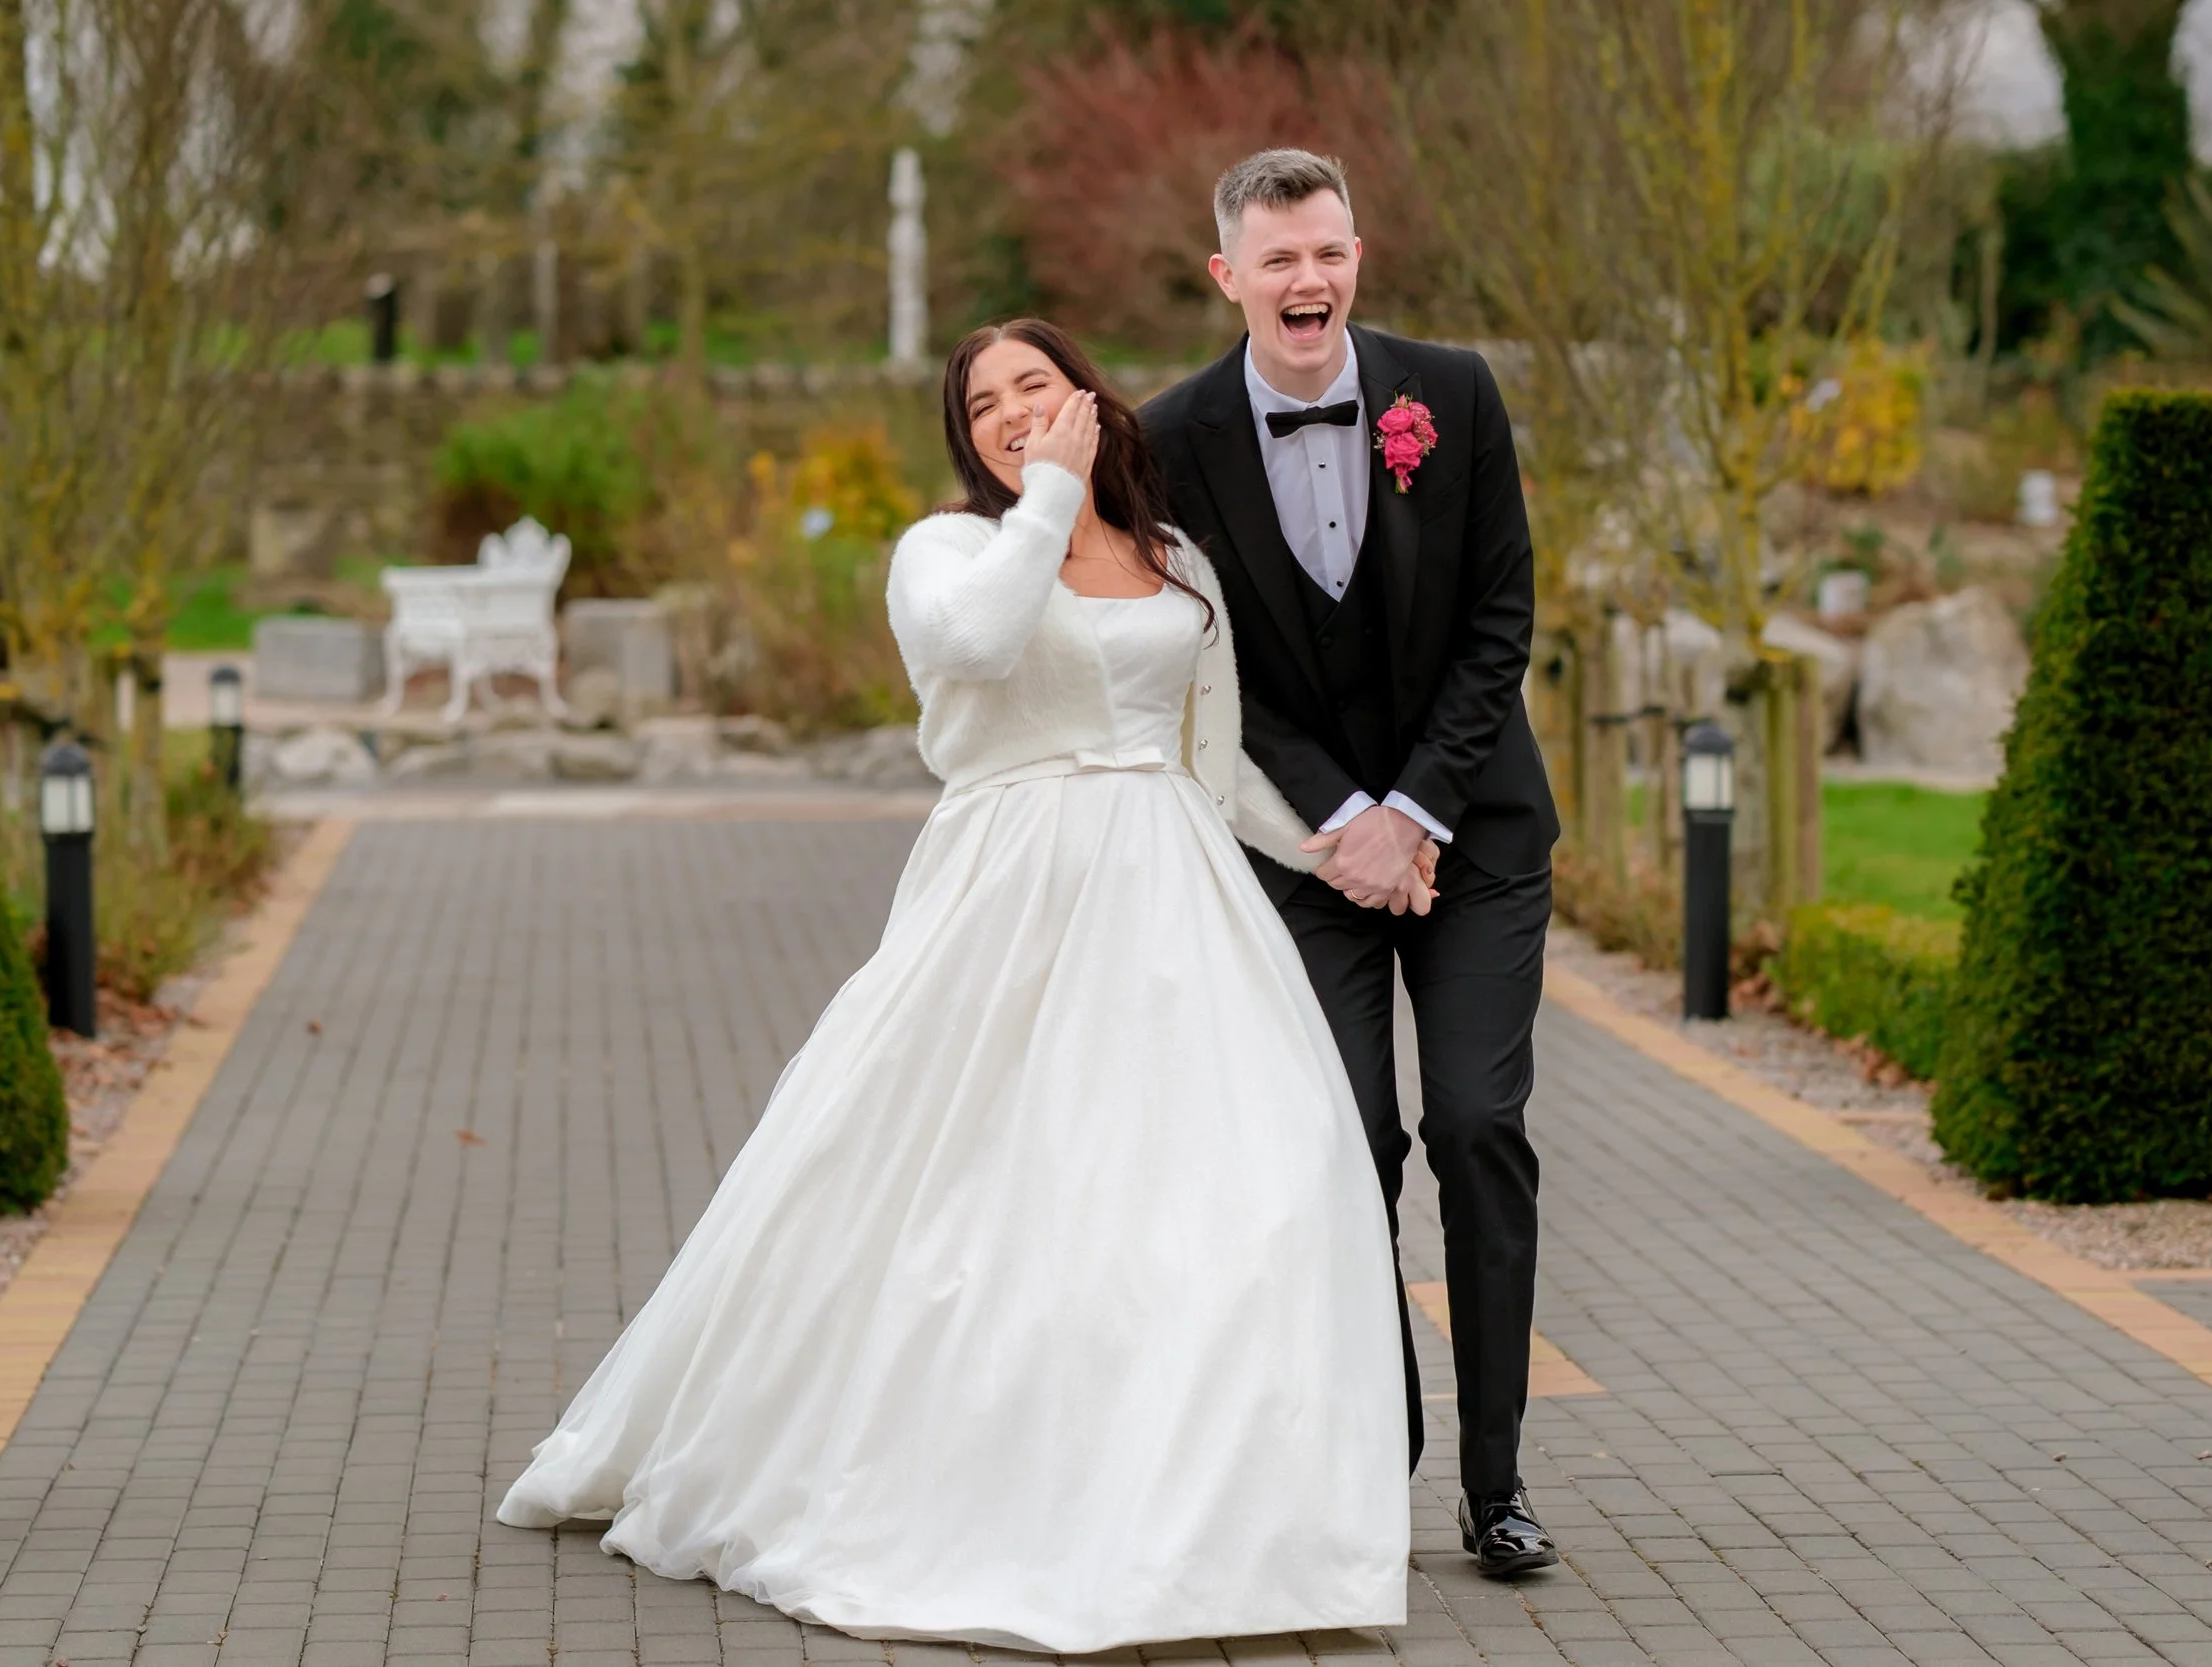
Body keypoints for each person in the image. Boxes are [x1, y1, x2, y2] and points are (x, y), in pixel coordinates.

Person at [495, 319, 1424, 1650]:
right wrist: (1046, 496)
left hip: (1176, 902)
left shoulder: (1177, 563)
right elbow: (978, 650)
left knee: (1235, 1191)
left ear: (1090, 397)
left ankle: (1201, 1517)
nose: (1009, 412)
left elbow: (1212, 768)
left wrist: (1346, 855)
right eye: (983, 403)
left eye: (1034, 387)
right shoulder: (945, 550)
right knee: (966, 1187)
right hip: (1012, 888)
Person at [1141, 149, 1565, 1578]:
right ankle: (1371, 1461)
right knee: (1342, 1147)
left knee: (1473, 1127)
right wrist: (1343, 822)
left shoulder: (1451, 396)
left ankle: (1496, 1481)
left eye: (1327, 253)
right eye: (1278, 260)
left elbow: (1500, 616)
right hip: (1303, 850)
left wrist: (1416, 812)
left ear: (1357, 256)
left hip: (1474, 837)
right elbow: (1209, 660)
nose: (1307, 281)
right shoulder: (1171, 435)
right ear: (1229, 277)